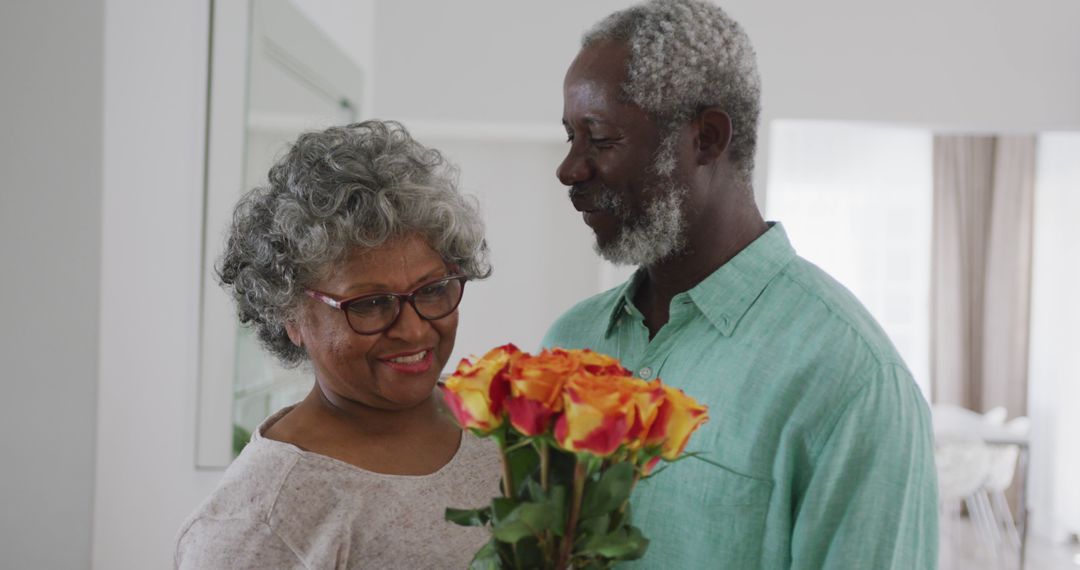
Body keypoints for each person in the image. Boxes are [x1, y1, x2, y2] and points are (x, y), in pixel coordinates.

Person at [542, 1, 938, 568]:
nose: (570, 169)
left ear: (706, 138)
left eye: (600, 139)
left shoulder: (854, 383)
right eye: (570, 138)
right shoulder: (569, 341)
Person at [175, 120, 502, 569]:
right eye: (370, 304)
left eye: (431, 290)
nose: (413, 330)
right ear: (290, 316)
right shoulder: (258, 524)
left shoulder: (504, 421)